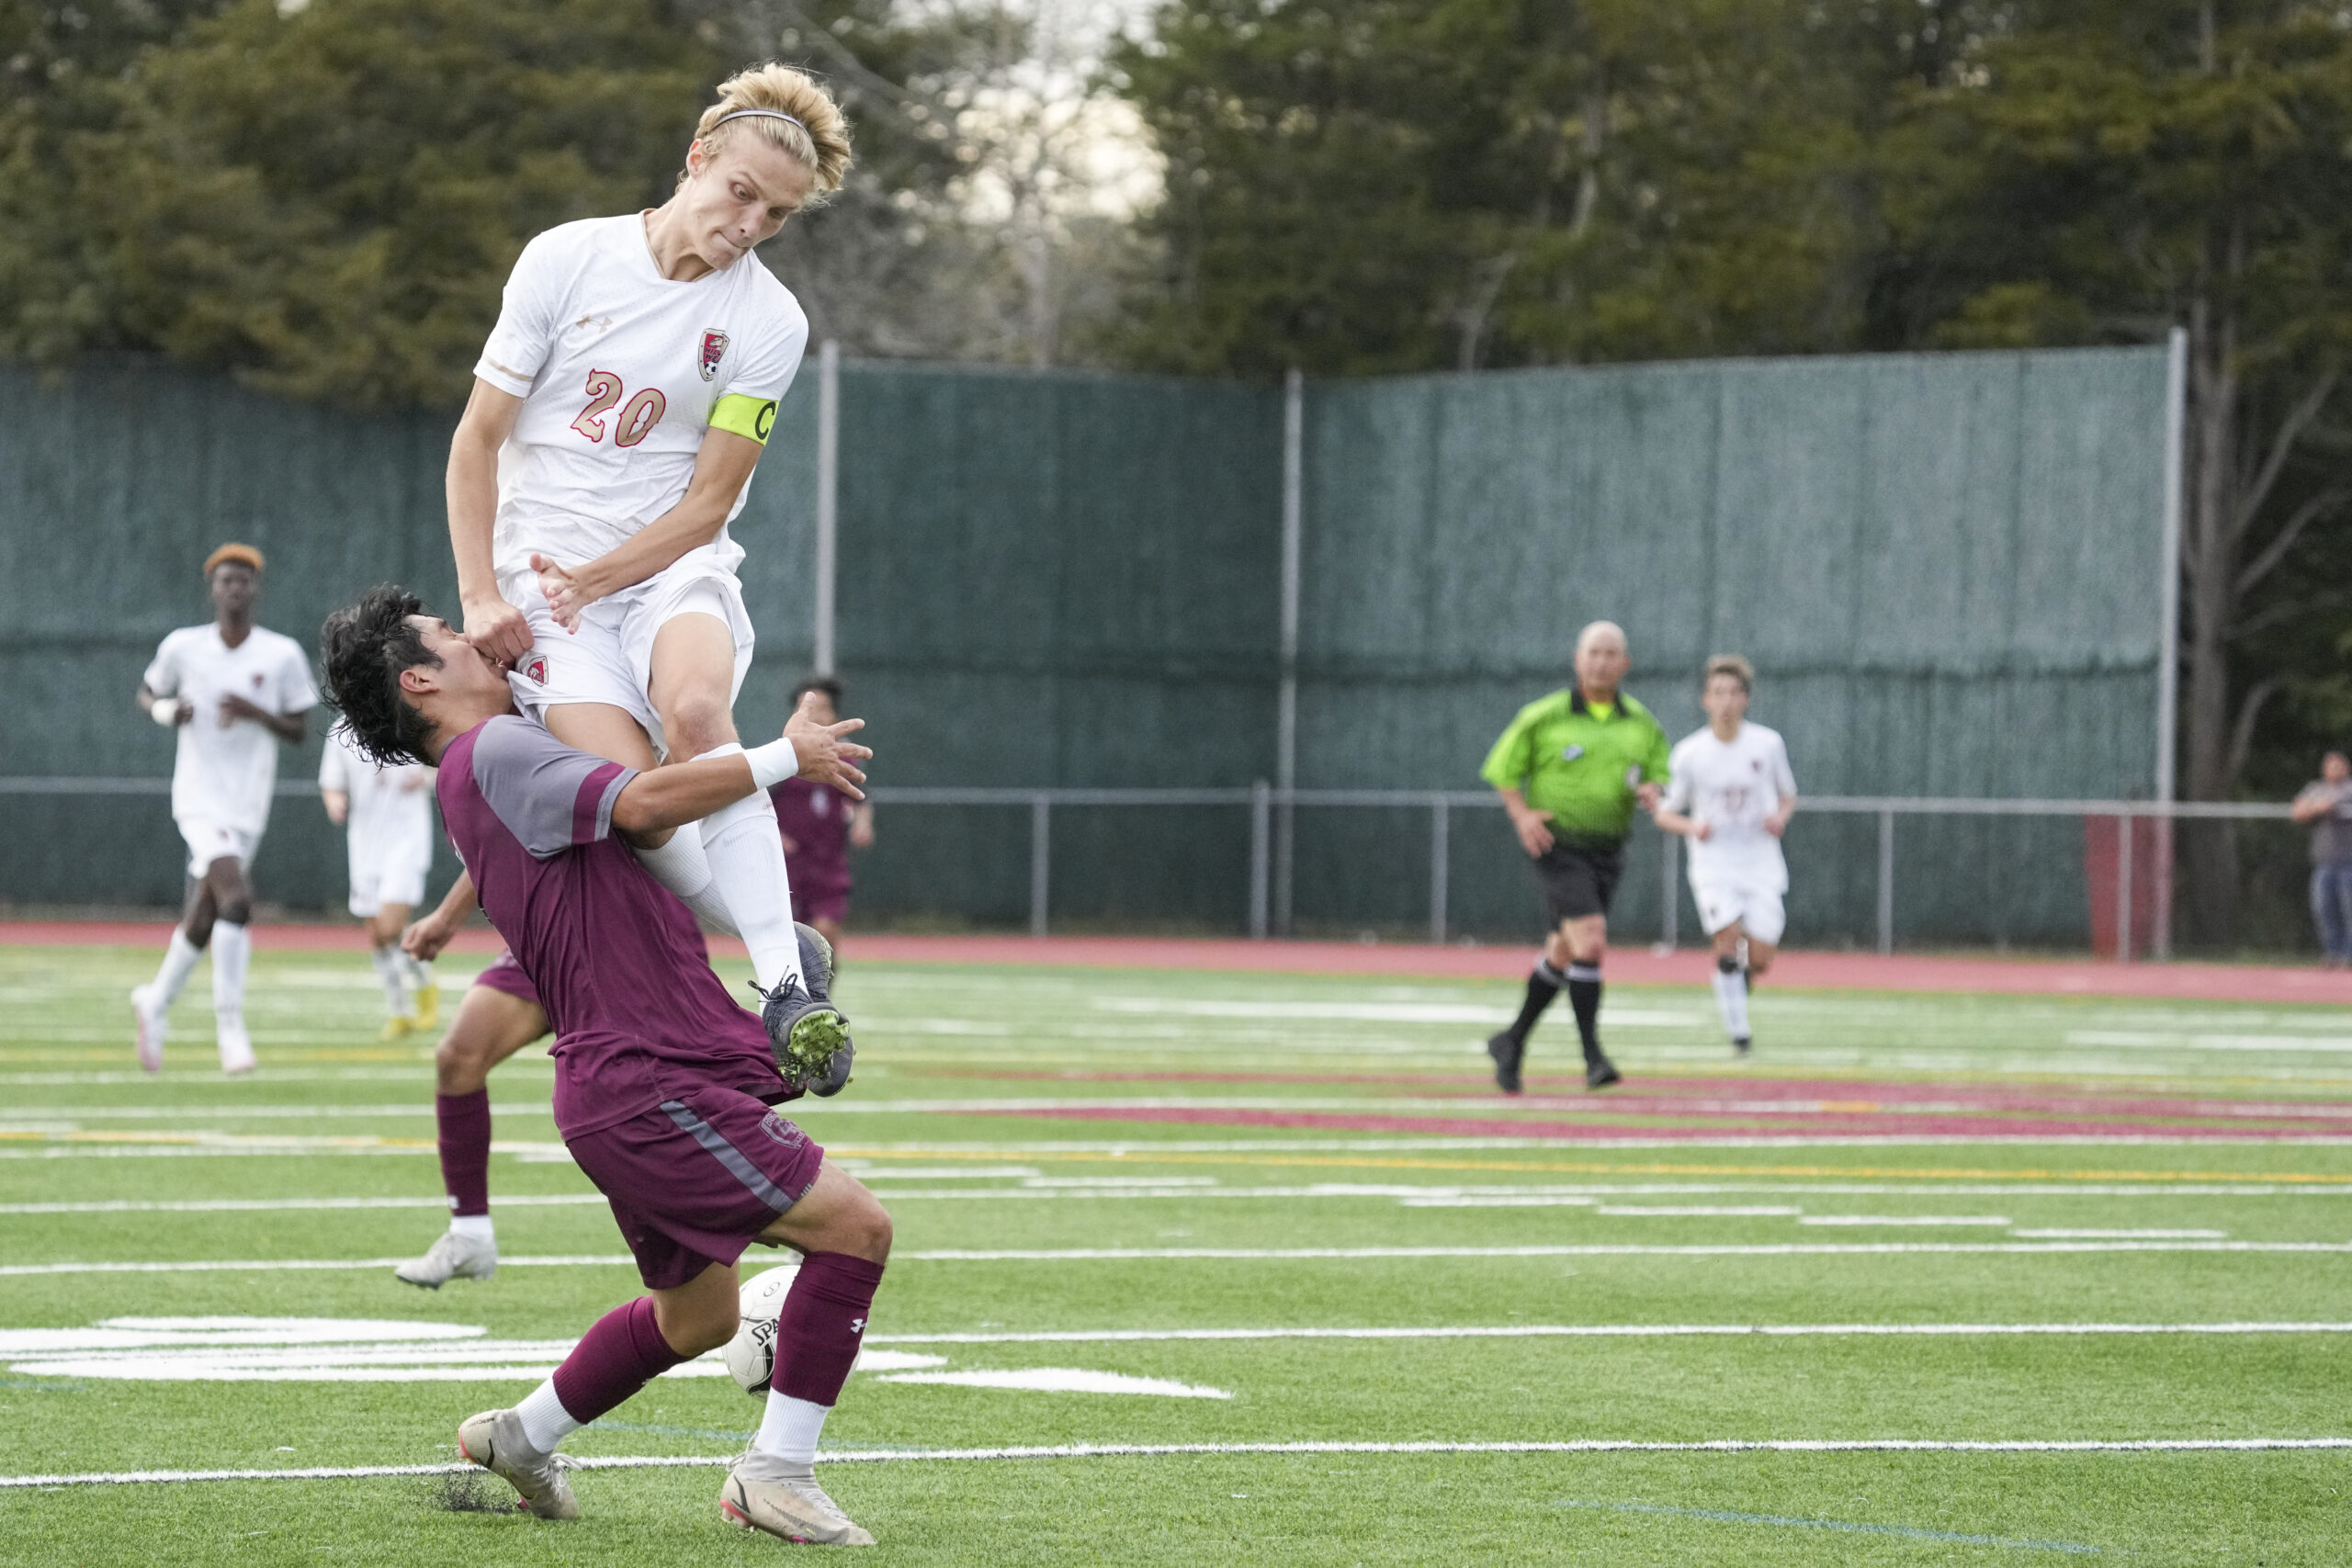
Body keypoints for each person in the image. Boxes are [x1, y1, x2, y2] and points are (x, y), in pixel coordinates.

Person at [321, 585, 884, 1543]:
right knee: (853, 1232)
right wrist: (791, 755)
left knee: (699, 1317)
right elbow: (649, 801)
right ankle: (776, 1472)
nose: (476, 640)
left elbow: (642, 812)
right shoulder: (493, 749)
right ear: (419, 679)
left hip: (615, 1082)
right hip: (644, 1080)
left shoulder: (483, 761)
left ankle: (520, 1434)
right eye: (450, 637)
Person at [447, 62, 856, 1064]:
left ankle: (787, 990)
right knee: (633, 801)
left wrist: (602, 575)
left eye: (778, 214)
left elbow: (710, 501)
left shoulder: (770, 322)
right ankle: (769, 933)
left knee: (697, 718)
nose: (751, 222)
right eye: (741, 193)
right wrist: (481, 595)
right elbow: (475, 443)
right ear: (697, 159)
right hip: (549, 604)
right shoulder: (565, 259)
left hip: (673, 571)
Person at [129, 544, 317, 1076]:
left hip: (248, 800)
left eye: (244, 581)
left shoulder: (280, 654)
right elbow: (147, 693)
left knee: (207, 913)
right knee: (236, 900)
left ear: (255, 590)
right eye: (226, 581)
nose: (235, 589)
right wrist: (167, 710)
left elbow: (300, 730)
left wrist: (258, 712)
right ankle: (230, 1028)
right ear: (212, 588)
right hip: (197, 796)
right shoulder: (183, 647)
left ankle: (156, 1000)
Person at [1478, 620, 1670, 1094]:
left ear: (1625, 663)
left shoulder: (1640, 722)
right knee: (1592, 941)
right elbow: (1502, 768)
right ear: (1577, 659)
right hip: (1558, 847)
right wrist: (1521, 814)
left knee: (1563, 952)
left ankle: (1512, 1041)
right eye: (1593, 652)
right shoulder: (1544, 715)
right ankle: (1593, 1057)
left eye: (1611, 654)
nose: (1601, 661)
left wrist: (1654, 788)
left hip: (1608, 850)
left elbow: (1660, 771)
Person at [392, 877, 550, 1289]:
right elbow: (488, 834)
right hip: (546, 930)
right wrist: (447, 917)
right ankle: (471, 1233)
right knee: (458, 1057)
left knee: (650, 1093)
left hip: (620, 930)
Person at [1652, 655, 1798, 1055]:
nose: (1726, 701)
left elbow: (1787, 795)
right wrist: (1692, 827)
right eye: (1718, 692)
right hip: (1714, 862)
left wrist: (1779, 818)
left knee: (1760, 955)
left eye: (1734, 692)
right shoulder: (1690, 752)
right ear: (1705, 699)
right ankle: (1741, 1035)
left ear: (1745, 699)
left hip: (1761, 861)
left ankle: (1737, 979)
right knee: (1728, 941)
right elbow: (1665, 812)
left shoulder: (1767, 744)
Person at [319, 722, 440, 1038]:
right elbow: (331, 782)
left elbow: (450, 763)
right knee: (377, 935)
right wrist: (334, 801)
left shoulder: (406, 717)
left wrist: (426, 777)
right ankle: (399, 1010)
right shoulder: (339, 731)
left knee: (389, 926)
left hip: (406, 841)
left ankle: (425, 983)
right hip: (364, 845)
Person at [772, 676, 875, 953]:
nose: (815, 716)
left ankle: (821, 991)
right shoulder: (778, 760)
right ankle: (796, 993)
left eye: (822, 708)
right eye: (806, 709)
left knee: (825, 934)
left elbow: (863, 799)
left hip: (829, 863)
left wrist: (862, 825)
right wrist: (775, 835)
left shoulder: (846, 761)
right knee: (794, 941)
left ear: (835, 715)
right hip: (790, 865)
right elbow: (759, 805)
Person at [2291, 750, 2352, 967]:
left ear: (2346, 768)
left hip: (2349, 862)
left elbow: (2327, 805)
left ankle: (2348, 956)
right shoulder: (2315, 787)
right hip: (2324, 861)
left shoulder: (2349, 789)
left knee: (2349, 909)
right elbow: (2297, 811)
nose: (2334, 770)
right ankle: (2332, 953)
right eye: (2330, 766)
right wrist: (2313, 807)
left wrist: (2315, 807)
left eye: (2339, 766)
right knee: (2324, 909)